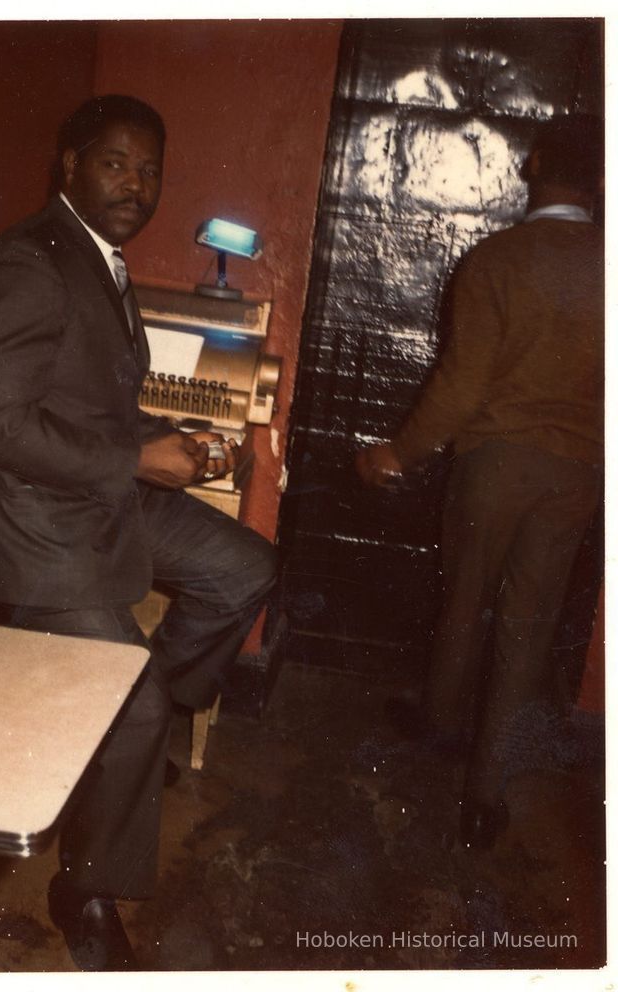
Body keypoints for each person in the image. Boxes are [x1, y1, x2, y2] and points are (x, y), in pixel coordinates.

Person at [0, 94, 276, 969]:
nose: (136, 184)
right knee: (138, 700)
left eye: (150, 169)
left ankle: (130, 746)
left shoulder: (98, 260)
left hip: (88, 497)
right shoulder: (28, 264)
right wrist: (136, 457)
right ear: (69, 163)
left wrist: (173, 441)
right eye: (115, 163)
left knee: (243, 567)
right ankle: (83, 888)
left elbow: (84, 401)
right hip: (23, 525)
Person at [355, 114, 603, 851]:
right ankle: (484, 798)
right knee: (527, 628)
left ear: (532, 164)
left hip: (492, 462)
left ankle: (436, 724)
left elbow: (460, 387)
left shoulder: (497, 259)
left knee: (464, 599)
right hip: (576, 474)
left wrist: (397, 454)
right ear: (598, 179)